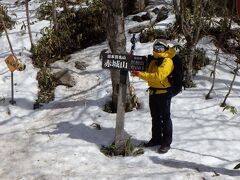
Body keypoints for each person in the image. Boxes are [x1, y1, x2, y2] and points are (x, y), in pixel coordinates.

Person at [131, 39, 176, 153]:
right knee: (155, 118)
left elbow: (158, 76)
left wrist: (140, 74)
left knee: (165, 118)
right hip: (153, 92)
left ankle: (166, 143)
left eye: (160, 48)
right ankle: (156, 139)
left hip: (164, 93)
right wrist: (136, 70)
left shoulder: (167, 61)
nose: (157, 50)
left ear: (165, 48)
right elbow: (147, 72)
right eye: (156, 47)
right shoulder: (153, 60)